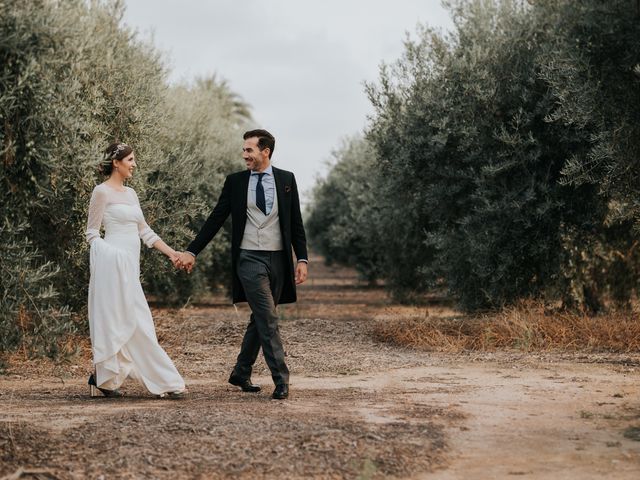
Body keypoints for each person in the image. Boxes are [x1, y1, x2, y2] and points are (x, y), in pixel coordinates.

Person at [176, 129, 308, 400]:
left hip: (279, 259)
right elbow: (216, 218)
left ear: (265, 151)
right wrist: (192, 250)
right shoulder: (235, 182)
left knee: (260, 316)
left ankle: (241, 371)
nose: (244, 154)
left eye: (249, 150)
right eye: (244, 150)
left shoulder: (286, 180)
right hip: (249, 258)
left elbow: (296, 222)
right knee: (268, 317)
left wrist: (302, 258)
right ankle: (281, 379)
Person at [85, 142, 186, 399]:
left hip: (130, 267)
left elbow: (145, 233)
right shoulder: (101, 192)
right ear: (115, 162)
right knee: (123, 319)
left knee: (137, 319)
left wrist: (172, 253)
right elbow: (92, 234)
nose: (134, 164)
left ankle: (103, 378)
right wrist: (113, 256)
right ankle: (166, 381)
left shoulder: (131, 195)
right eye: (130, 159)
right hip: (112, 266)